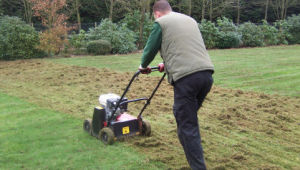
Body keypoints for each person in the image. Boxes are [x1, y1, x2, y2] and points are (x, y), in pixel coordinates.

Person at [138, 0, 214, 169]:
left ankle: (198, 166)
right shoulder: (189, 20)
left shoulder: (160, 22)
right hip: (206, 75)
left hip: (187, 80)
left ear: (157, 13)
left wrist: (143, 66)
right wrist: (167, 63)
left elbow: (150, 49)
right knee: (184, 117)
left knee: (187, 126)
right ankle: (189, 148)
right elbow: (184, 47)